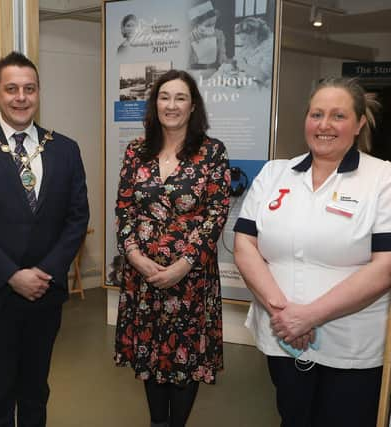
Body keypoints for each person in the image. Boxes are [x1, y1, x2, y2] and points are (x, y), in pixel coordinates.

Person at [233, 77, 389, 427]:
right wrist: (285, 314)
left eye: (338, 116)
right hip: (283, 336)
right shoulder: (276, 173)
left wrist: (311, 315)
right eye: (316, 114)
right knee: (294, 416)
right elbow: (245, 245)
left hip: (351, 344)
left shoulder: (383, 179)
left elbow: (386, 265)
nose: (324, 125)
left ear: (360, 122)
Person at [0, 51, 89, 427]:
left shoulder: (65, 148)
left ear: (39, 93)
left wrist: (46, 271)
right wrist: (13, 275)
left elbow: (77, 219)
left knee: (35, 392)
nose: (21, 97)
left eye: (29, 89)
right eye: (11, 89)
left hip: (45, 294)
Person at [114, 69, 230, 427]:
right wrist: (135, 257)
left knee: (182, 360)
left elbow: (216, 212)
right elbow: (125, 208)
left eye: (180, 98)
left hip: (190, 281)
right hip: (143, 279)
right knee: (151, 357)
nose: (171, 105)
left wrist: (185, 263)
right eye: (164, 97)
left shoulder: (212, 152)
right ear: (155, 104)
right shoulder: (136, 150)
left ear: (193, 106)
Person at [188, 1, 228, 71]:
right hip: (196, 72)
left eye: (214, 23)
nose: (212, 27)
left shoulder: (219, 34)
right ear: (197, 25)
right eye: (208, 25)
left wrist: (223, 58)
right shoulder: (190, 38)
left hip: (215, 71)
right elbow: (187, 63)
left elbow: (222, 54)